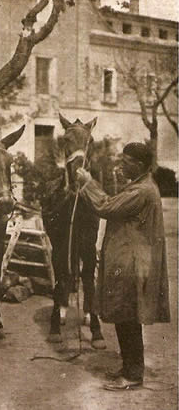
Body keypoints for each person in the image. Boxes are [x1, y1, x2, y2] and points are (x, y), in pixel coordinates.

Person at [76, 142, 170, 391]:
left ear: (139, 165)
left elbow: (105, 206)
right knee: (124, 317)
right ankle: (129, 368)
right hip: (130, 261)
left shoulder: (142, 191)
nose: (120, 165)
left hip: (132, 264)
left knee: (128, 318)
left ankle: (133, 375)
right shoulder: (140, 186)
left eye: (125, 162)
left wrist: (87, 183)